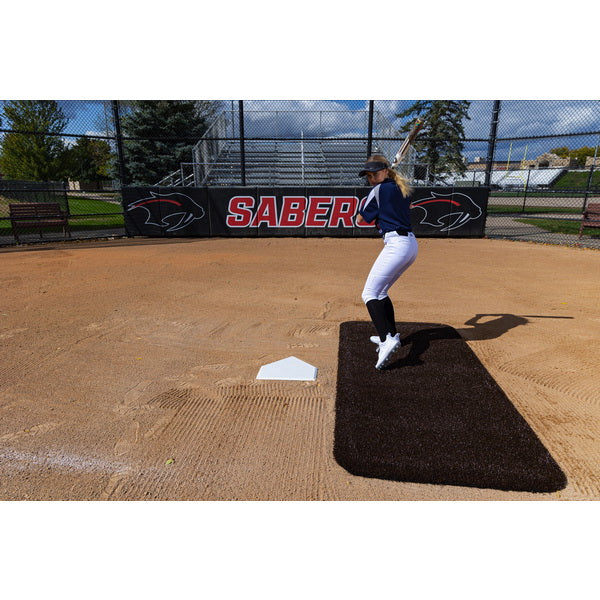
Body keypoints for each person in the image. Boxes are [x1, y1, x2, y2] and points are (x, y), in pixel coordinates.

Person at [356, 154, 418, 369]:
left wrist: (372, 194)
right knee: (381, 292)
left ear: (385, 171)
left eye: (375, 174)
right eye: (369, 176)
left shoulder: (379, 190)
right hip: (409, 245)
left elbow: (360, 219)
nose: (371, 178)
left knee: (369, 294)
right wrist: (381, 184)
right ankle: (392, 334)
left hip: (396, 245)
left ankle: (386, 340)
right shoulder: (401, 187)